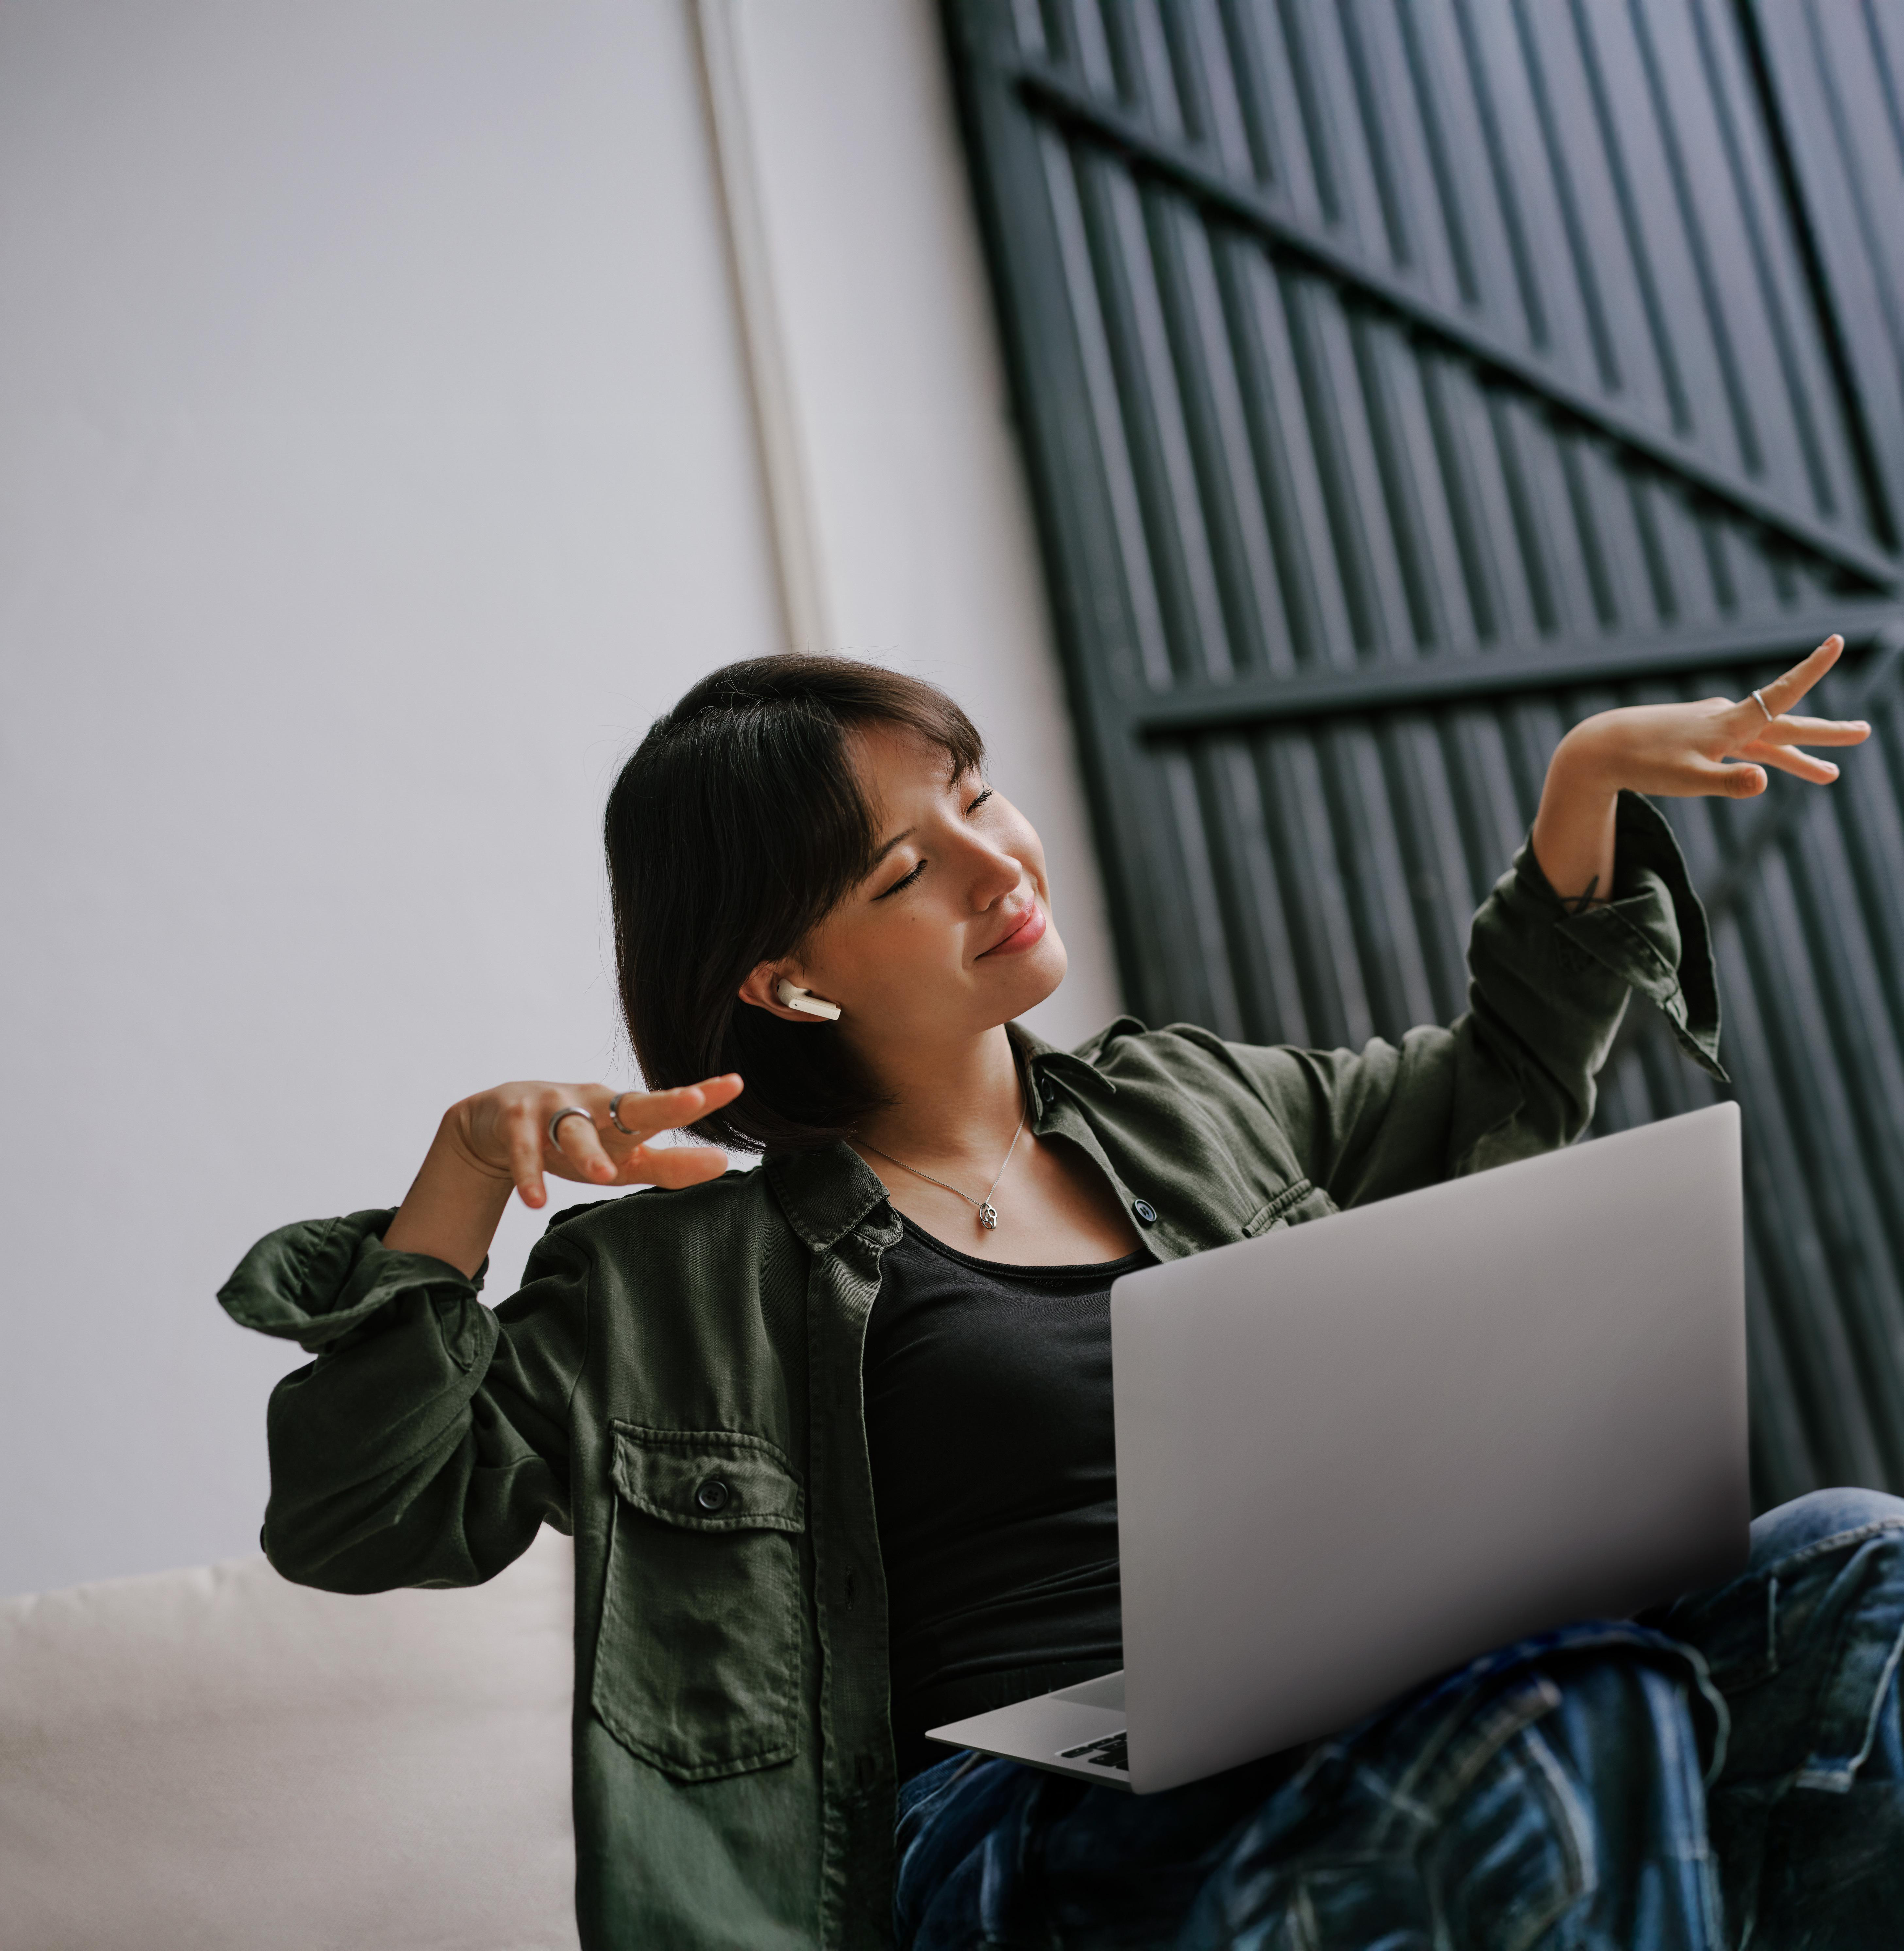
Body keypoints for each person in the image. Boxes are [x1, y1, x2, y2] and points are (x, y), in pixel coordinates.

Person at [221, 642, 1904, 1950]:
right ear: (784, 980)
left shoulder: (1193, 1103)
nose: (990, 860)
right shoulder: (673, 1282)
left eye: (975, 793)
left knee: (1855, 1564)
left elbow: (1490, 1084)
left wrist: (1582, 786)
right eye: (902, 871)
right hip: (1011, 1828)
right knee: (1572, 1704)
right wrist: (457, 1181)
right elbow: (362, 1516)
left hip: (1329, 1709)